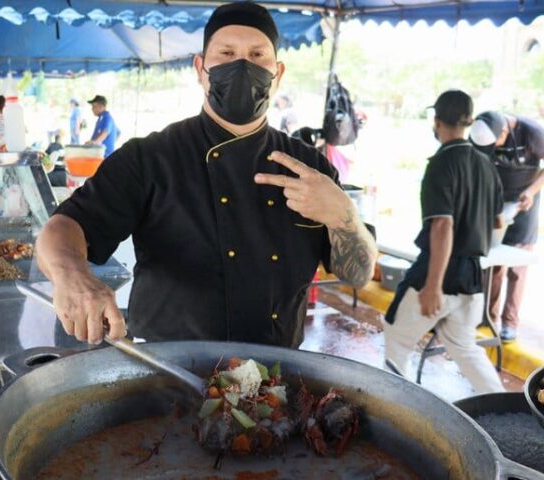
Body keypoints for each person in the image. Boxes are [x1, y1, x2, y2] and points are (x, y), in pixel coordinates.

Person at [36, 2, 376, 348]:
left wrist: (343, 215)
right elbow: (62, 228)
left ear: (279, 74)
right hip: (169, 377)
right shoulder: (151, 157)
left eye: (258, 55)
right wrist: (72, 276)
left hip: (276, 382)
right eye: (226, 53)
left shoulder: (311, 167)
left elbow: (357, 274)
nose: (242, 66)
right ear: (200, 69)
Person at [382, 90, 505, 394]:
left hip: (442, 272)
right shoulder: (486, 164)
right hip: (473, 277)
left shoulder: (440, 164)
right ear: (469, 121)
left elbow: (442, 225)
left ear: (437, 120)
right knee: (465, 348)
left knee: (397, 335)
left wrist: (433, 285)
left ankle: (399, 411)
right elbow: (498, 220)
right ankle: (507, 411)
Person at [469, 111, 544, 342]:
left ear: (505, 131)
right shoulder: (483, 132)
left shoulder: (532, 133)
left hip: (524, 204)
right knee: (493, 264)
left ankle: (510, 322)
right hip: (496, 203)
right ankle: (487, 317)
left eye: (495, 143)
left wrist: (531, 192)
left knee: (518, 266)